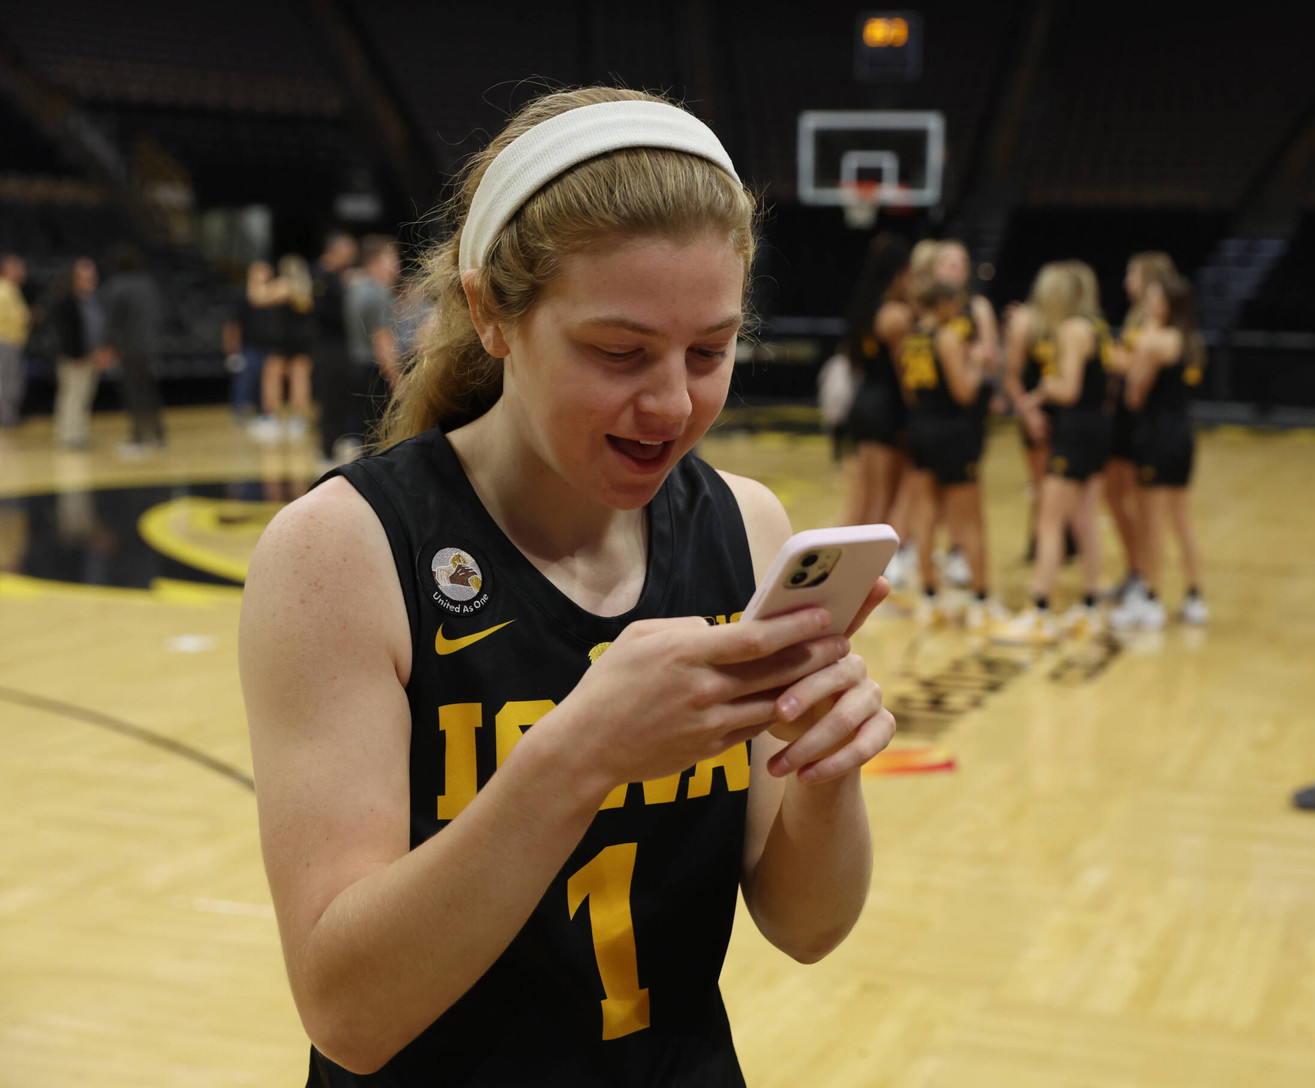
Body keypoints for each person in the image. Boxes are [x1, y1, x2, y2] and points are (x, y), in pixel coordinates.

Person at [239, 86, 895, 1086]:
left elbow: (808, 927)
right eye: (619, 352)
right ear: (491, 313)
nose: (673, 402)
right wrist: (580, 750)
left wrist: (827, 774)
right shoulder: (342, 552)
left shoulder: (747, 527)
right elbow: (349, 1009)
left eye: (711, 351)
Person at [994, 261, 1111, 643]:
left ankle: (1040, 607)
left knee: (1049, 520)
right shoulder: (1096, 326)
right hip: (1095, 429)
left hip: (1075, 430)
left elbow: (1070, 389)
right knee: (1084, 519)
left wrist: (1046, 385)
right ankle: (1092, 604)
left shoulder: (1072, 329)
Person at [895, 276, 997, 627]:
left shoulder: (912, 339)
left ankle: (929, 593)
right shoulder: (948, 336)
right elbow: (965, 392)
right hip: (953, 433)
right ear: (942, 306)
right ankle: (982, 598)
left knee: (925, 515)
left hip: (921, 428)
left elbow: (909, 392)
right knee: (968, 518)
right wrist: (977, 363)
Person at [1111, 271, 1208, 629]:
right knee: (1182, 520)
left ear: (1167, 304)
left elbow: (1135, 394)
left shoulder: (1155, 342)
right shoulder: (1191, 340)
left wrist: (1131, 366)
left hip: (1154, 435)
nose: (1149, 305)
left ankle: (1150, 597)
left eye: (1155, 299)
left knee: (1153, 522)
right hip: (1183, 434)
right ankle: (1195, 596)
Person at [1104, 251, 1176, 603]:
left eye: (1132, 275)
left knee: (1139, 503)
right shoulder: (1136, 317)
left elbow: (1132, 366)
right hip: (1120, 417)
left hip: (1141, 422)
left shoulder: (1158, 324)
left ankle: (1145, 577)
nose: (1125, 282)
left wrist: (1105, 353)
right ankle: (1134, 569)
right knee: (1114, 496)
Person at [836, 232, 912, 529]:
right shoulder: (896, 315)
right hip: (886, 412)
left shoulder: (864, 309)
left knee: (863, 501)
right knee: (881, 502)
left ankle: (850, 570)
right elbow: (906, 376)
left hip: (863, 404)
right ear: (897, 275)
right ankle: (864, 572)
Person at [98, 244, 165, 455]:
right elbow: (159, 315)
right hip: (150, 345)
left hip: (129, 347)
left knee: (133, 393)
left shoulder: (116, 285)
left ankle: (138, 438)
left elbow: (113, 321)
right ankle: (158, 435)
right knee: (149, 391)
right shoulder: (148, 283)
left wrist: (109, 346)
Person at [344, 234, 402, 450]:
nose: (397, 263)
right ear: (377, 260)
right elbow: (382, 341)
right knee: (379, 438)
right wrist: (398, 380)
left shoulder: (355, 288)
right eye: (392, 257)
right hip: (374, 371)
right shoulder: (379, 293)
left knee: (363, 434)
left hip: (356, 366)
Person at [252, 254, 317, 441]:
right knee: (300, 378)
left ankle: (273, 419)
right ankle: (298, 420)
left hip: (283, 341)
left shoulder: (286, 286)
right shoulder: (306, 287)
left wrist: (256, 277)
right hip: (302, 340)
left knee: (272, 376)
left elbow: (257, 298)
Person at [310, 231, 359, 466]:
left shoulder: (339, 276)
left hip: (341, 346)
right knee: (330, 399)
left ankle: (338, 444)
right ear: (333, 251)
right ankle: (325, 450)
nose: (351, 258)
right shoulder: (320, 276)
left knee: (342, 398)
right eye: (347, 252)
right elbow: (326, 314)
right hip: (327, 348)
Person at [48, 256, 107, 449]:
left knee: (84, 397)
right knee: (72, 396)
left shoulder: (92, 300)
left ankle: (80, 434)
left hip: (92, 356)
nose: (89, 278)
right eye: (84, 275)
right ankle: (68, 436)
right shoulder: (66, 301)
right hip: (74, 357)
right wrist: (77, 355)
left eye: (91, 274)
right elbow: (64, 333)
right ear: (74, 277)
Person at [224, 260, 277, 426]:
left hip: (270, 347)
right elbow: (233, 326)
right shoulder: (243, 296)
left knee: (267, 383)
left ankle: (265, 413)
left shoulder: (274, 295)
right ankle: (241, 412)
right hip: (250, 347)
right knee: (246, 381)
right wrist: (233, 350)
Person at [0, 254, 31, 428]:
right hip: (5, 342)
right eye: (17, 268)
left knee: (11, 381)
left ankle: (8, 416)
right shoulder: (4, 290)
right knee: (7, 382)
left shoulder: (12, 289)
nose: (22, 272)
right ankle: (6, 418)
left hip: (12, 343)